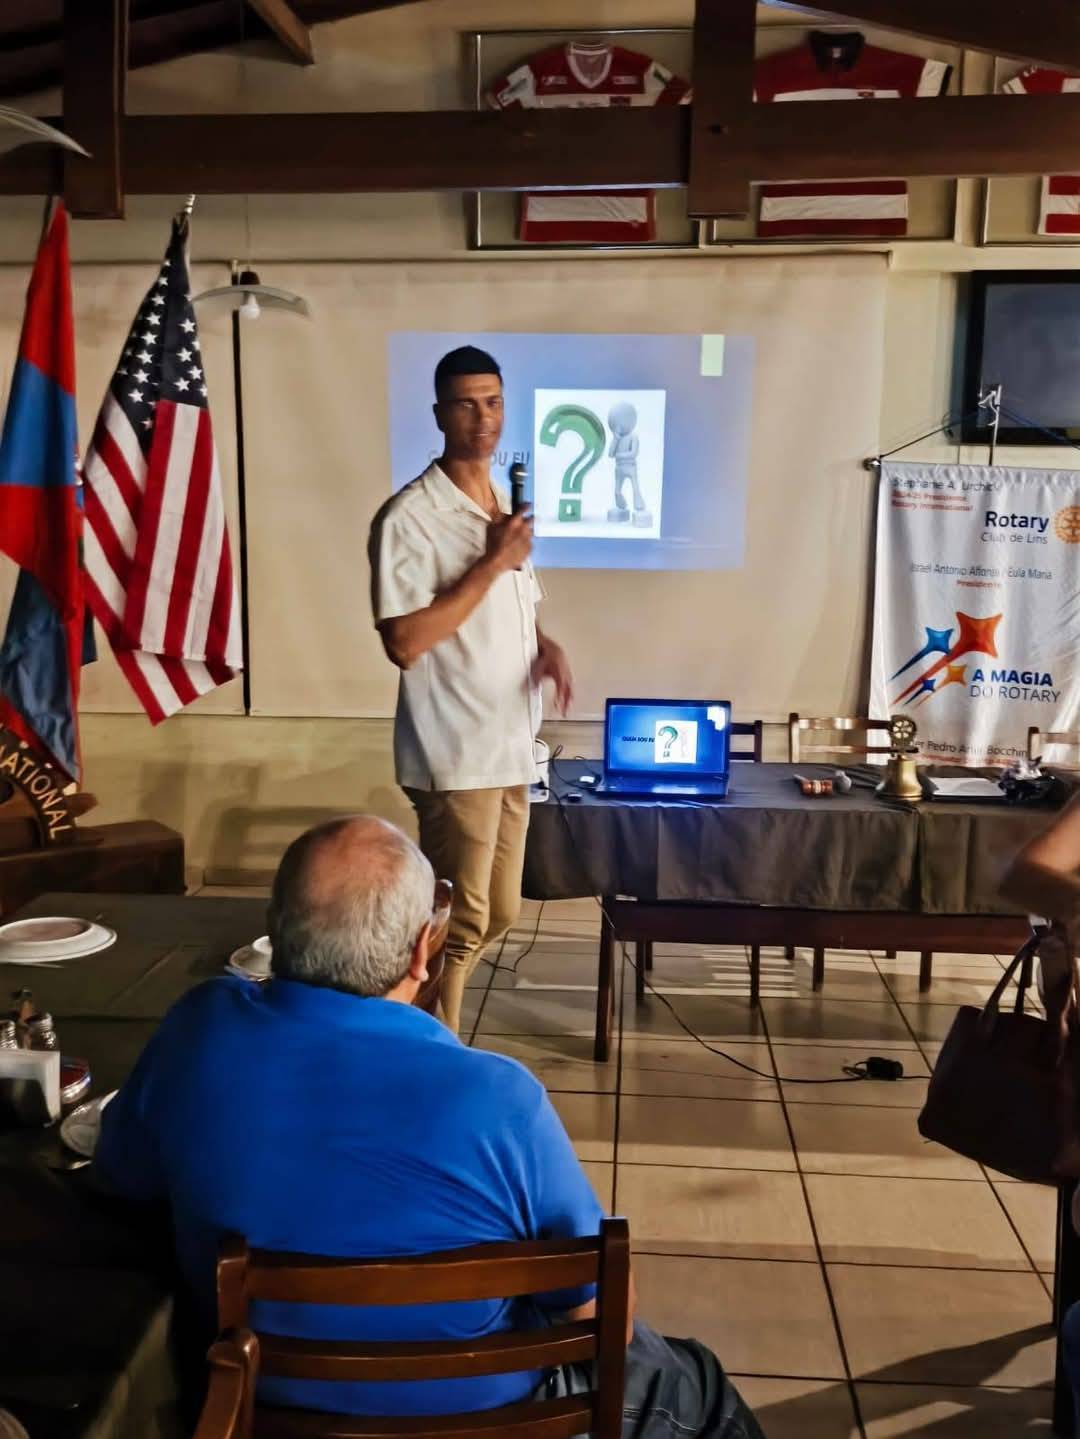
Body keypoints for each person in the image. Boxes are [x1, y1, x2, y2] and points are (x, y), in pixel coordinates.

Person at [94, 816, 766, 1437]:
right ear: (425, 949)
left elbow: (120, 1174)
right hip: (492, 1418)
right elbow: (597, 1317)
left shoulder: (196, 1029)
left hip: (262, 1411)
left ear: (275, 929)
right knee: (696, 1381)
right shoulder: (501, 1099)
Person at [368, 345, 573, 1035]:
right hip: (454, 749)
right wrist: (490, 564)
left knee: (504, 911)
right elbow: (404, 642)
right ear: (438, 413)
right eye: (465, 403)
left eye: (492, 401)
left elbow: (512, 604)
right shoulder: (409, 517)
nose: (482, 417)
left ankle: (410, 1022)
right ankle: (428, 1054)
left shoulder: (500, 505)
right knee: (461, 920)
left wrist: (543, 646)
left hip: (510, 741)